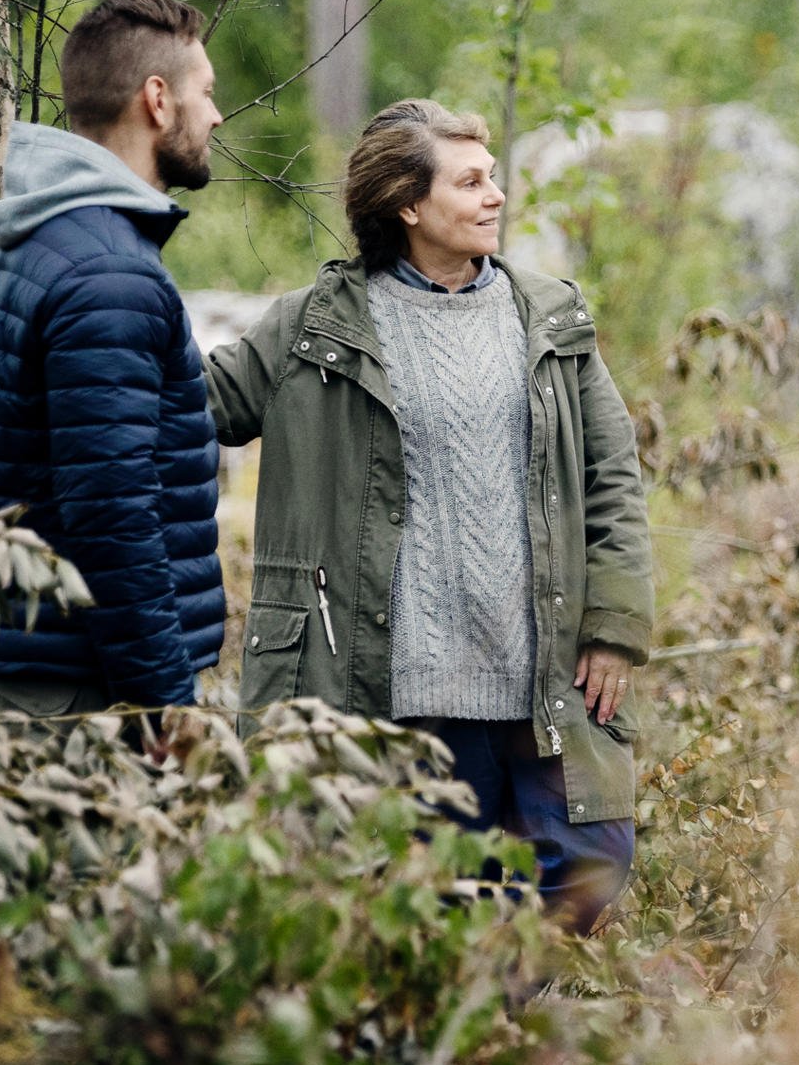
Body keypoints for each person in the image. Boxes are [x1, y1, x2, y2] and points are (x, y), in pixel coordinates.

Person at [205, 99, 654, 933]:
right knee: (438, 898)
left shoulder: (549, 316)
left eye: (493, 179)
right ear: (408, 205)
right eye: (472, 181)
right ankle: (468, 1046)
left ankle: (483, 1012)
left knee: (594, 861)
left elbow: (613, 472)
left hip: (538, 676)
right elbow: (194, 408)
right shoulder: (316, 324)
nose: (496, 197)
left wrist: (615, 625)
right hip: (402, 688)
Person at [0, 0, 228, 727]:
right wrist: (165, 696)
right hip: (90, 693)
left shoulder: (47, 240)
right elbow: (111, 512)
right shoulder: (110, 272)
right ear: (158, 100)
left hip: (55, 667)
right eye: (206, 92)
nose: (217, 115)